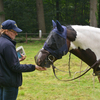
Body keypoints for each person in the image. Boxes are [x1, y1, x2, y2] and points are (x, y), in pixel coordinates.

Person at [0, 19, 46, 100]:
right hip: (9, 83)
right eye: (14, 32)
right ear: (6, 31)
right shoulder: (8, 45)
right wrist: (34, 67)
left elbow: (3, 62)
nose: (16, 34)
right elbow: (15, 67)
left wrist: (16, 60)